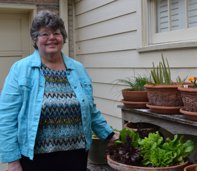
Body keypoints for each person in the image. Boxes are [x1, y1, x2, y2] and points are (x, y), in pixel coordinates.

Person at [0, 10, 118, 171]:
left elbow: (90, 109)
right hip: (36, 159)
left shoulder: (78, 69)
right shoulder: (21, 70)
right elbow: (6, 118)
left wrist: (109, 134)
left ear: (63, 37)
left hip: (76, 156)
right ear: (35, 39)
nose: (51, 38)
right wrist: (12, 161)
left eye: (56, 33)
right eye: (44, 34)